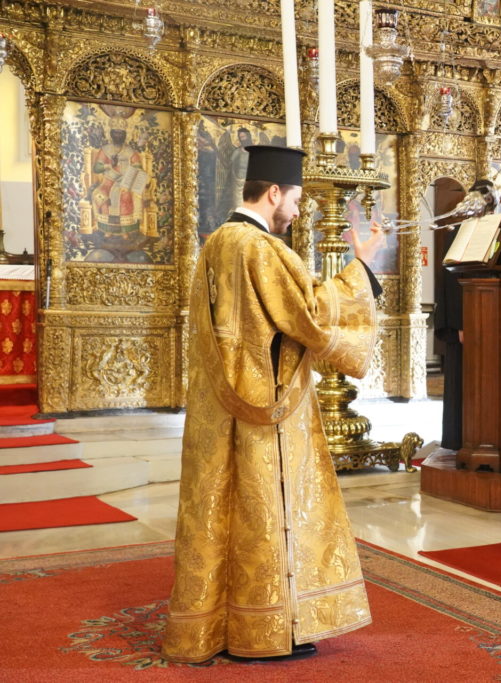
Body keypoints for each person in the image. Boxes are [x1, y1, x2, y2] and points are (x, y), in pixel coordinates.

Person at [162, 145, 384, 663]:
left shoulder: (218, 241)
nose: (300, 210)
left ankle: (218, 624)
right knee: (270, 512)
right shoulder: (262, 249)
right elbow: (307, 315)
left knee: (227, 511)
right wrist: (362, 269)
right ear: (275, 192)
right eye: (298, 198)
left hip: (223, 407)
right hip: (269, 410)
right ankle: (263, 633)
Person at [433, 179, 498, 451]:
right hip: (464, 320)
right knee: (461, 379)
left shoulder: (498, 232)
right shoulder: (456, 232)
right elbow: (450, 283)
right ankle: (458, 436)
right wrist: (458, 325)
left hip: (492, 317)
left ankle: (487, 434)